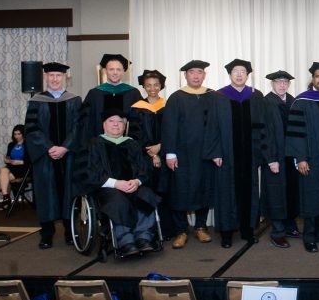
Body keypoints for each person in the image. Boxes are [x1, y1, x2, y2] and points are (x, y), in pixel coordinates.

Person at [206, 59, 278, 248]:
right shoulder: (218, 96)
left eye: (243, 71)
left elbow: (263, 126)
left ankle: (247, 230)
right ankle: (227, 233)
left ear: (248, 75)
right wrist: (215, 152)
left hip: (250, 155)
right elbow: (212, 126)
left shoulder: (256, 96)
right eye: (235, 71)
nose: (239, 74)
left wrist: (264, 154)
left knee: (249, 192)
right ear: (230, 74)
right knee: (226, 192)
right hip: (226, 154)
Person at [77, 110, 162, 257]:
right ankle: (125, 240)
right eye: (111, 121)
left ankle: (143, 237)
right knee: (117, 199)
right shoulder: (93, 144)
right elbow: (89, 172)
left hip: (133, 186)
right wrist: (115, 184)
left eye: (120, 122)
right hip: (107, 188)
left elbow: (143, 169)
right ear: (104, 125)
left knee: (146, 194)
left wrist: (137, 181)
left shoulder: (132, 144)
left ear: (124, 126)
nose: (116, 124)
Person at [23, 62, 82, 248]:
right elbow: (31, 128)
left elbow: (79, 127)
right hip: (45, 156)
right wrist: (49, 147)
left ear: (65, 77)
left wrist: (65, 147)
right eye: (51, 75)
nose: (55, 79)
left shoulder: (75, 100)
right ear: (45, 77)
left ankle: (70, 232)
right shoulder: (36, 101)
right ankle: (47, 234)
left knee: (69, 192)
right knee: (45, 193)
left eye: (59, 75)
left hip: (69, 155)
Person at [162, 60, 215, 249]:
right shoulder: (176, 98)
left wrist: (216, 151)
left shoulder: (212, 96)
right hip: (182, 154)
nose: (196, 75)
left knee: (203, 188)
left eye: (199, 72)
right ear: (185, 75)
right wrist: (170, 153)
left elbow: (216, 125)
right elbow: (169, 126)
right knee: (180, 190)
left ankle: (200, 227)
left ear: (204, 75)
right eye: (192, 72)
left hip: (205, 153)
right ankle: (181, 230)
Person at [286, 62, 319, 253]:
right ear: (313, 78)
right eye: (318, 76)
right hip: (310, 157)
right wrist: (300, 158)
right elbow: (295, 133)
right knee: (311, 195)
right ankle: (309, 236)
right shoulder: (301, 101)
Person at [128, 69, 172, 239]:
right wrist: (152, 154)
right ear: (144, 87)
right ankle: (148, 230)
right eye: (148, 85)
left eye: (156, 85)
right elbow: (135, 135)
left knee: (165, 191)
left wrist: (160, 148)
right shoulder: (137, 108)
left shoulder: (168, 105)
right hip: (145, 157)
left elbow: (173, 131)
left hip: (166, 154)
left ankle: (167, 229)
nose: (152, 88)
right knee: (148, 191)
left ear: (161, 86)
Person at [263, 70, 301, 246]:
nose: (282, 85)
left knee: (291, 191)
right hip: (275, 156)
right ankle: (277, 231)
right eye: (278, 81)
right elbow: (264, 133)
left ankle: (290, 226)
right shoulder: (266, 103)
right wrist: (271, 159)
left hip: (291, 156)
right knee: (276, 193)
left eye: (285, 82)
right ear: (272, 83)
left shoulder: (293, 101)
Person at [79, 54, 142, 145]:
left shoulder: (133, 93)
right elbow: (86, 122)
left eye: (118, 69)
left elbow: (139, 122)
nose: (115, 72)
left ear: (123, 71)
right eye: (111, 69)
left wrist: (133, 143)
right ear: (105, 71)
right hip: (98, 145)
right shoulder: (94, 94)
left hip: (127, 146)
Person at [0, 125, 30, 210]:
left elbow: (31, 160)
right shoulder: (11, 144)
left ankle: (6, 201)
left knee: (2, 183)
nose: (16, 136)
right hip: (12, 167)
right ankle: (6, 197)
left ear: (23, 134)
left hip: (23, 168)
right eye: (15, 134)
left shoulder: (28, 144)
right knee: (4, 170)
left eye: (19, 134)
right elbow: (8, 157)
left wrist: (20, 162)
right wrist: (7, 160)